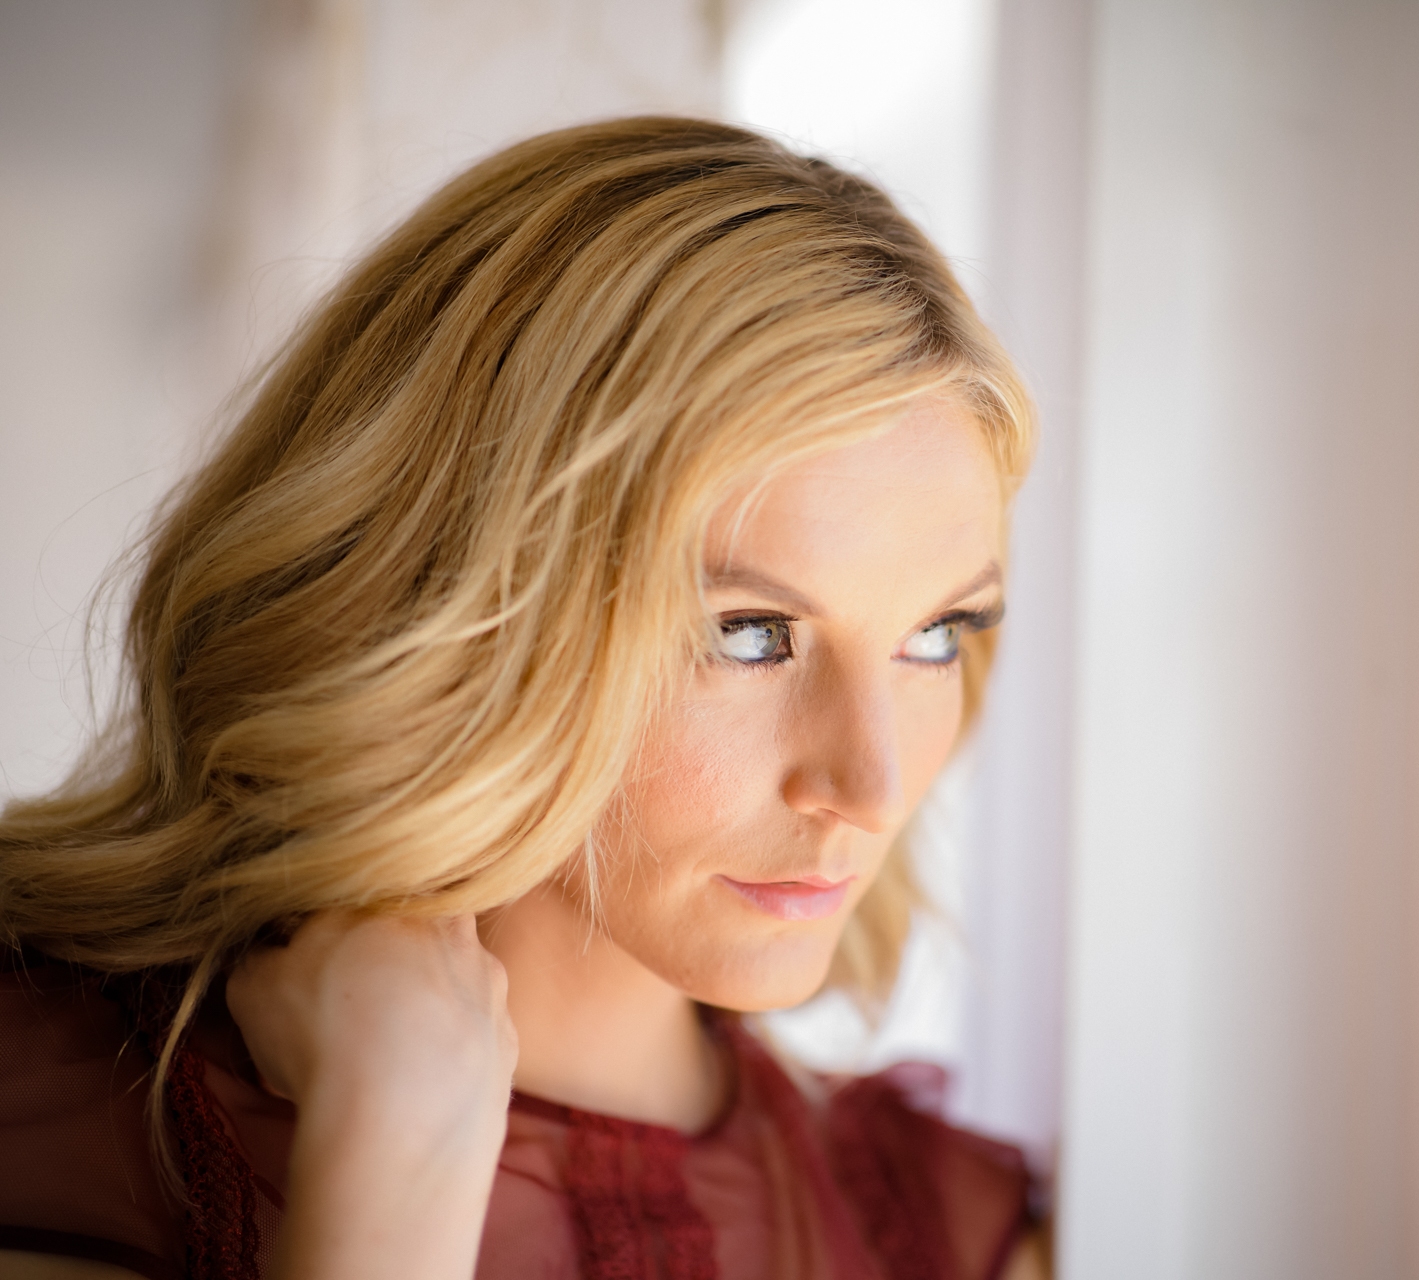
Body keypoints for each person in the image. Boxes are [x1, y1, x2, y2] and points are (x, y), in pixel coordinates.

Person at [0, 117, 1044, 1280]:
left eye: (934, 633)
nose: (871, 783)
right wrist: (389, 1171)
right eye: (748, 633)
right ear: (456, 593)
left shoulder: (962, 1232)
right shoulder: (52, 1119)